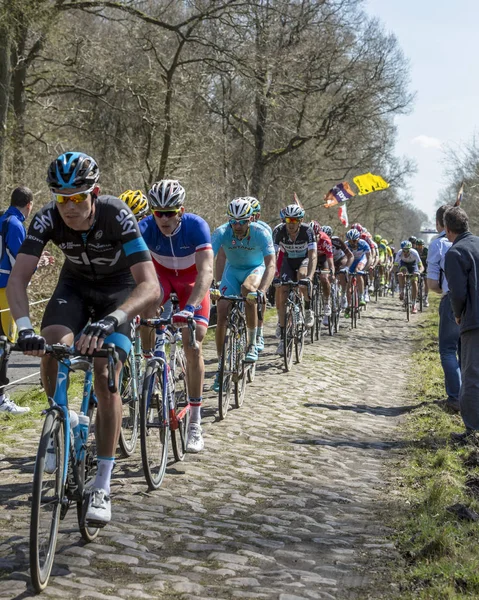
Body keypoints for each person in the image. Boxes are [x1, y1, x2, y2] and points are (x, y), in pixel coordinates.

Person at [7, 151, 161, 525]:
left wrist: (113, 320)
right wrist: (24, 327)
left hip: (118, 291)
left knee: (106, 374)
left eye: (77, 197)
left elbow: (150, 286)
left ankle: (103, 484)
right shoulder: (46, 218)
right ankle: (61, 419)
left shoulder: (116, 214)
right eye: (62, 198)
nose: (69, 207)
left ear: (95, 192)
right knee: (52, 346)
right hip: (74, 287)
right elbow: (18, 278)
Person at [139, 179, 214, 453]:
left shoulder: (196, 226)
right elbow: (132, 270)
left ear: (180, 210)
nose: (164, 218)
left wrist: (191, 307)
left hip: (192, 284)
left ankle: (195, 420)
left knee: (193, 343)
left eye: (170, 212)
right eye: (159, 212)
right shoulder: (145, 228)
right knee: (146, 308)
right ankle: (152, 368)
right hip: (162, 279)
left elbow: (206, 272)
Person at [211, 197, 275, 389]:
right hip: (233, 271)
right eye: (233, 221)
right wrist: (210, 285)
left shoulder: (261, 232)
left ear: (251, 220)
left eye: (242, 222)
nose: (237, 226)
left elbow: (271, 263)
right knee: (221, 309)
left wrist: (262, 290)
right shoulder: (222, 232)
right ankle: (222, 365)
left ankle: (252, 342)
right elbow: (207, 258)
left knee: (248, 291)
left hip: (255, 269)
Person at [0, 187, 53, 414]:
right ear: (29, 204)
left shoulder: (3, 218)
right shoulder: (15, 224)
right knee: (4, 344)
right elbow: (21, 259)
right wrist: (39, 262)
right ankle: (2, 399)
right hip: (4, 290)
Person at [443, 206, 479, 441]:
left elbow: (457, 293)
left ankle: (473, 430)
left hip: (474, 321)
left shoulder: (455, 253)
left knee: (472, 375)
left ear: (447, 229)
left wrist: (458, 314)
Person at [427, 205, 461, 413]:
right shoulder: (473, 242)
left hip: (451, 300)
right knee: (466, 351)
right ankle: (470, 398)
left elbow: (432, 283)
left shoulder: (438, 244)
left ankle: (455, 398)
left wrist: (441, 289)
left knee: (448, 349)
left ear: (440, 224)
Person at [273, 205, 317, 354]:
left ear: (300, 220)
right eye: (288, 220)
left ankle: (308, 308)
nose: (290, 223)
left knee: (303, 277)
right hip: (287, 262)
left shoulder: (307, 231)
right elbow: (272, 255)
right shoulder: (279, 231)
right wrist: (274, 275)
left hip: (303, 260)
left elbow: (313, 255)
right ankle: (283, 336)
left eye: (294, 220)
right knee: (282, 290)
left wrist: (310, 277)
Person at [394, 240, 424, 314]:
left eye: (407, 250)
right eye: (404, 250)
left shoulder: (414, 253)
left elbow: (421, 266)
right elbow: (395, 266)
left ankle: (414, 304)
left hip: (413, 265)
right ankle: (402, 291)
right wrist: (396, 272)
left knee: (414, 282)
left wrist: (418, 272)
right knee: (402, 272)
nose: (405, 252)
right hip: (404, 264)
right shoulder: (399, 253)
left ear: (410, 249)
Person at [416, 238, 429, 307]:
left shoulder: (426, 250)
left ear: (423, 246)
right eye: (418, 245)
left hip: (426, 267)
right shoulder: (415, 251)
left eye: (421, 245)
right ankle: (417, 294)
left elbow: (430, 259)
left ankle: (426, 297)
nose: (419, 247)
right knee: (416, 280)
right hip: (418, 267)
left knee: (426, 281)